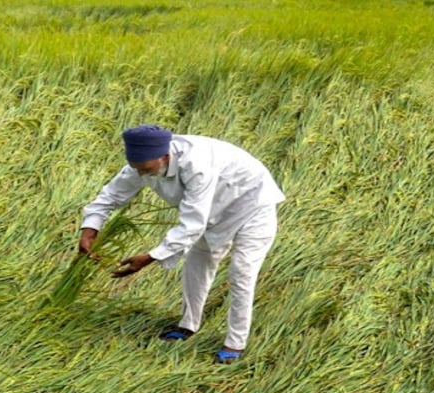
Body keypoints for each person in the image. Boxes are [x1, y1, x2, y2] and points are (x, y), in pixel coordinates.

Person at [78, 125, 285, 363]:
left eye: (146, 169)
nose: (142, 175)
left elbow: (193, 223)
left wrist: (151, 257)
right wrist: (89, 230)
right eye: (137, 169)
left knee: (242, 273)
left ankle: (235, 344)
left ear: (165, 156)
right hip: (209, 213)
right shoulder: (140, 166)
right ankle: (188, 326)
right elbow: (109, 197)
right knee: (196, 267)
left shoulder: (197, 164)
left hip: (251, 206)